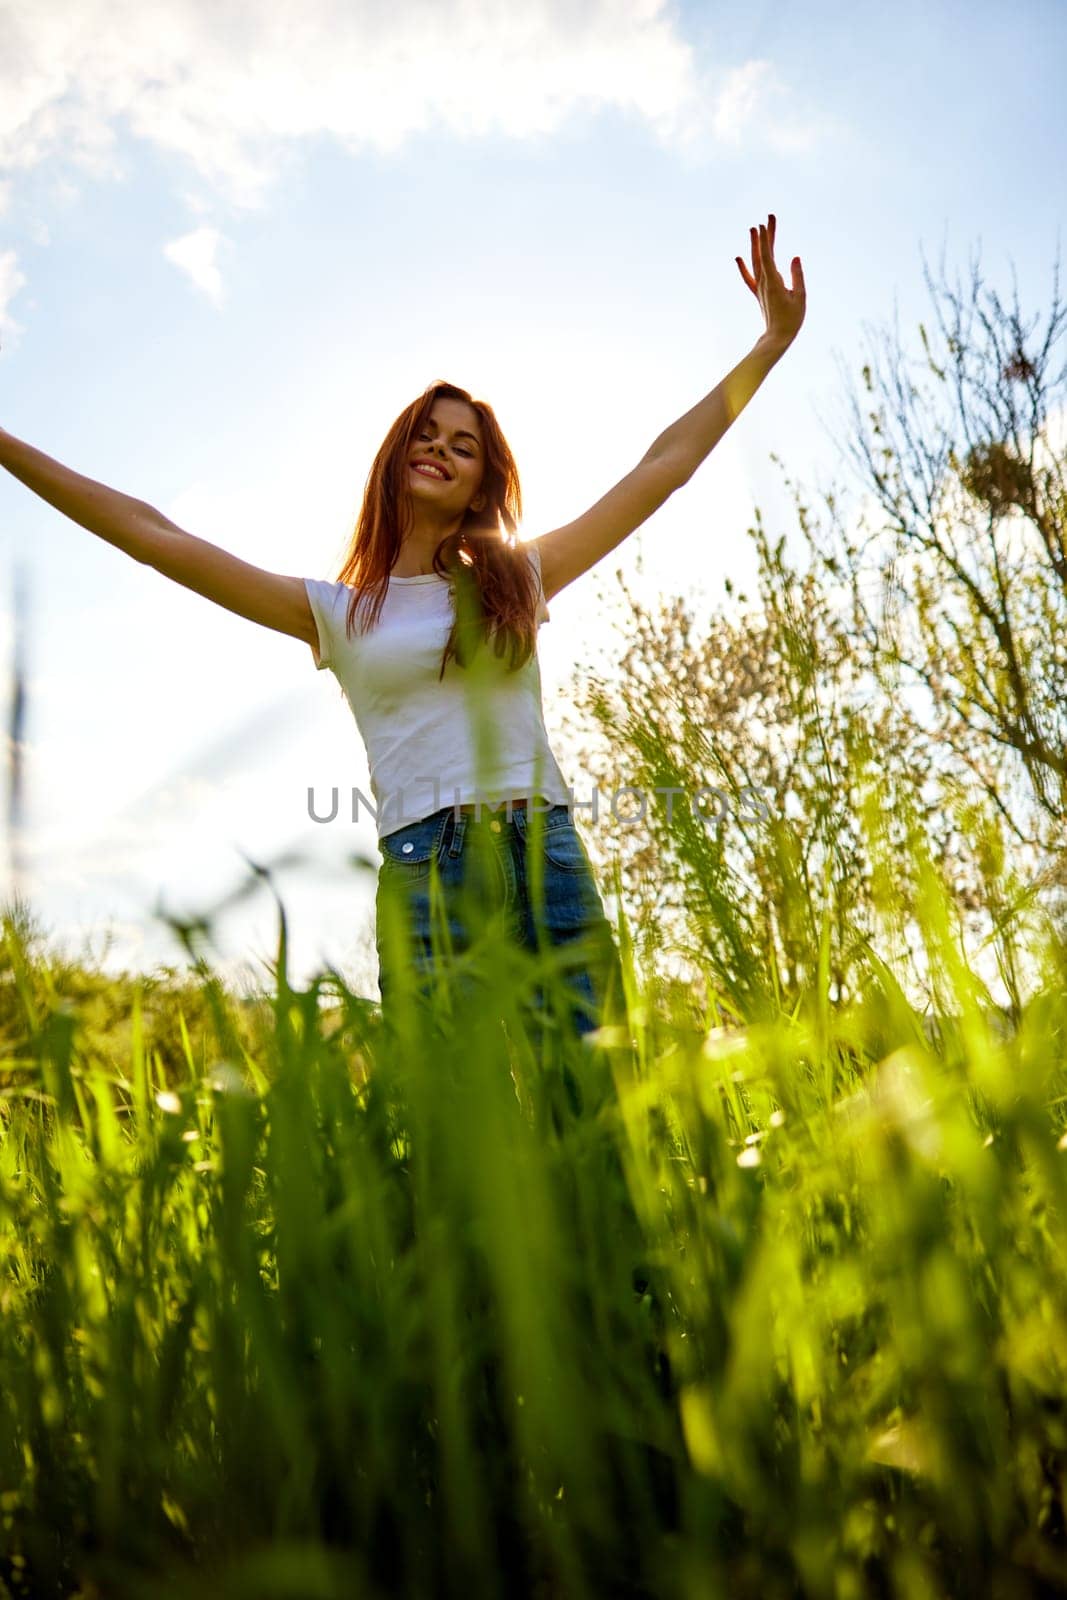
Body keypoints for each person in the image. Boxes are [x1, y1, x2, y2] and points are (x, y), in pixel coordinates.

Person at [0, 215, 805, 1085]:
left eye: (462, 446)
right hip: (423, 874)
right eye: (427, 432)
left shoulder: (520, 582)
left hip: (545, 853)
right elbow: (153, 535)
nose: (440, 448)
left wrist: (768, 346)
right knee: (451, 1124)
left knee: (593, 1102)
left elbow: (661, 468)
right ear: (396, 457)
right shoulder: (335, 614)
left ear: (477, 489)